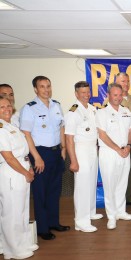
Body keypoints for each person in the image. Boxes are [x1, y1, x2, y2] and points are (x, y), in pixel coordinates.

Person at [20, 75, 69, 240]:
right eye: (42, 87)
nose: (46, 89)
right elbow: (26, 134)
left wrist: (63, 148)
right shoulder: (29, 108)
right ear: (35, 89)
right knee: (40, 192)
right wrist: (36, 157)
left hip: (56, 153)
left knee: (55, 190)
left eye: (48, 86)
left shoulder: (57, 105)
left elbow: (61, 127)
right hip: (40, 153)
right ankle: (42, 228)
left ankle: (53, 222)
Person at [0, 96, 38, 259]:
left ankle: (23, 242)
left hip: (22, 170)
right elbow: (8, 157)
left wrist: (28, 168)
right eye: (2, 107)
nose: (7, 109)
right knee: (12, 212)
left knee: (22, 210)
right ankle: (12, 250)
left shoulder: (11, 125)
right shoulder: (1, 129)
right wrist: (26, 172)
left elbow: (22, 151)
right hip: (12, 173)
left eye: (8, 106)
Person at [96, 83, 131, 230]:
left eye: (120, 95)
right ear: (108, 95)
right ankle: (111, 216)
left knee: (122, 183)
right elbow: (102, 135)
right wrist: (117, 149)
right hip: (109, 153)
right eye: (115, 95)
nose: (118, 98)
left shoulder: (126, 111)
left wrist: (129, 146)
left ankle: (120, 211)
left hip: (125, 152)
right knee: (110, 186)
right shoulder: (101, 113)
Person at [64, 81, 102, 233]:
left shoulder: (92, 109)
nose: (86, 95)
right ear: (76, 94)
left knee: (91, 183)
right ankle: (81, 221)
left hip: (92, 149)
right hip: (80, 150)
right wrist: (73, 160)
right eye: (83, 93)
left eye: (88, 92)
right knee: (82, 186)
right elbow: (69, 138)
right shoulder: (73, 112)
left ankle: (91, 212)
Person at [104, 73, 131, 207]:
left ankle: (129, 198)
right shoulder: (108, 102)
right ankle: (116, 201)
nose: (126, 84)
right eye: (123, 81)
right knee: (116, 174)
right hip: (116, 145)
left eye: (128, 81)